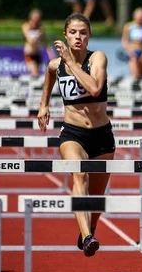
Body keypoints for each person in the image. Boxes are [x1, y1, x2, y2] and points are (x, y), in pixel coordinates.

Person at [37, 13, 115, 257]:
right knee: (80, 175)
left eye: (83, 32)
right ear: (65, 35)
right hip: (72, 133)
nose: (78, 36)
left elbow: (94, 88)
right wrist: (44, 105)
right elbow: (50, 74)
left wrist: (71, 63)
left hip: (101, 135)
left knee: (97, 196)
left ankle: (89, 227)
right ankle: (88, 237)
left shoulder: (97, 58)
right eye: (73, 32)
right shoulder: (56, 64)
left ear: (89, 35)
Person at [121, 7, 142, 79]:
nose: (140, 19)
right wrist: (129, 51)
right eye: (139, 17)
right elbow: (124, 41)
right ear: (134, 17)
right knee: (136, 75)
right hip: (133, 52)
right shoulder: (128, 26)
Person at [22, 9, 55, 79]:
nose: (36, 20)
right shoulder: (26, 26)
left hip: (37, 54)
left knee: (38, 75)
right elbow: (30, 41)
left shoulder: (41, 28)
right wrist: (38, 35)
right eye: (35, 18)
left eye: (38, 18)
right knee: (35, 73)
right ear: (31, 17)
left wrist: (50, 53)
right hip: (29, 54)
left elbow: (45, 42)